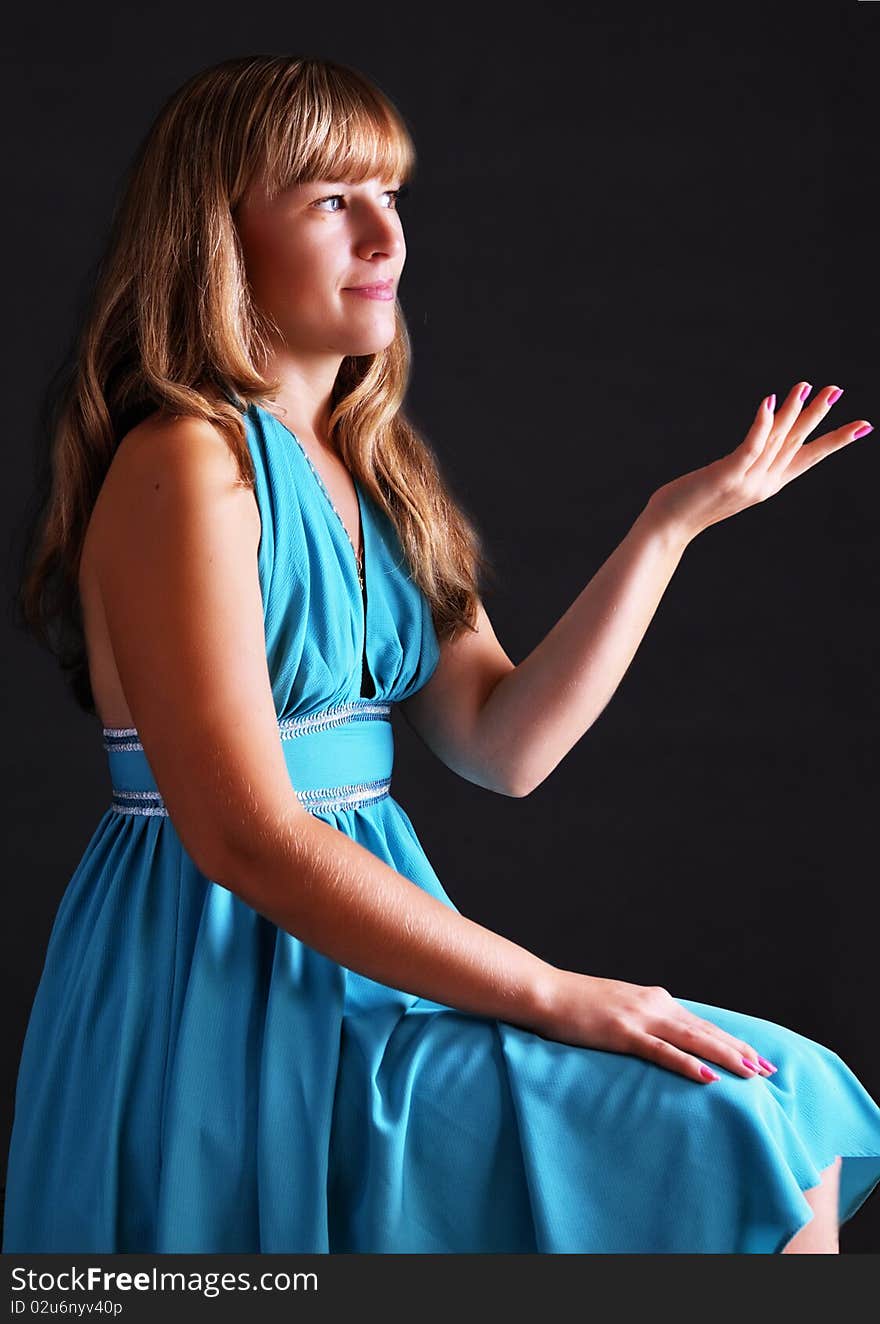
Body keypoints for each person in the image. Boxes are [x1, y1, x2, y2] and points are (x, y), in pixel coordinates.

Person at [4, 52, 880, 1257]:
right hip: (218, 980)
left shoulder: (377, 467)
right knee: (727, 1127)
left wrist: (667, 527)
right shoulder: (186, 465)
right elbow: (245, 837)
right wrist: (552, 993)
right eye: (329, 200)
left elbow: (503, 744)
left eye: (390, 195)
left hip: (379, 961)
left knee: (793, 1102)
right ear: (219, 239)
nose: (382, 234)